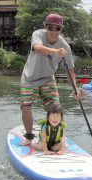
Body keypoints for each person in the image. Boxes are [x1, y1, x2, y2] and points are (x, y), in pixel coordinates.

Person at [20, 13, 81, 146]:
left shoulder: (65, 46)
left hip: (47, 78)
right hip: (29, 78)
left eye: (57, 28)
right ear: (45, 27)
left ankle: (57, 138)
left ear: (61, 29)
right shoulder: (37, 34)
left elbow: (70, 69)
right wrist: (55, 51)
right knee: (26, 106)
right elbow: (38, 48)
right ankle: (29, 137)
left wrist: (75, 89)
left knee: (56, 109)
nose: (53, 32)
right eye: (50, 28)